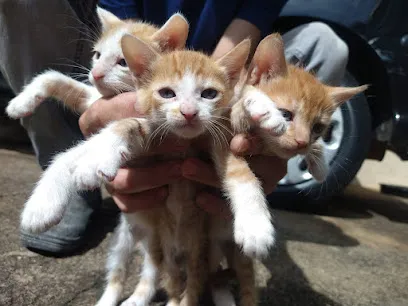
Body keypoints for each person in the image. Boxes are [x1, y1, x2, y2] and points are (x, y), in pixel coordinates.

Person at [0, 0, 349, 255]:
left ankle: (258, 157)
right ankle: (77, 179)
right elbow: (124, 43)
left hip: (207, 80)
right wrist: (121, 101)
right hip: (151, 72)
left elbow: (229, 61)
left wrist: (225, 96)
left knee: (327, 44)